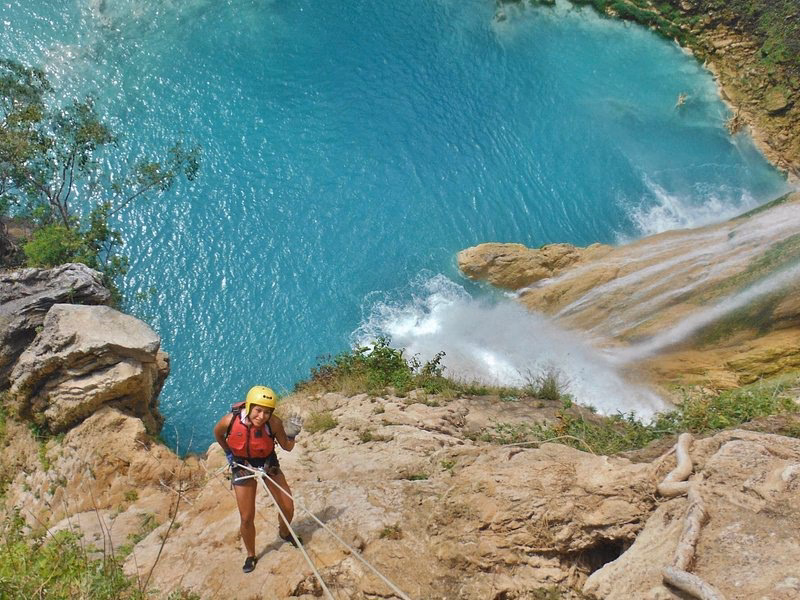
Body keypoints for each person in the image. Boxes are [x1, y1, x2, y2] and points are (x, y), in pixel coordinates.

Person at [213, 385, 304, 573]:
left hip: (267, 462)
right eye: (258, 410)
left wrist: (291, 435)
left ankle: (284, 532)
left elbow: (287, 447)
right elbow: (218, 433)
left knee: (288, 506)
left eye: (267, 412)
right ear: (249, 407)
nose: (262, 416)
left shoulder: (274, 424)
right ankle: (251, 554)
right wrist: (229, 453)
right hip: (242, 464)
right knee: (246, 517)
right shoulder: (230, 421)